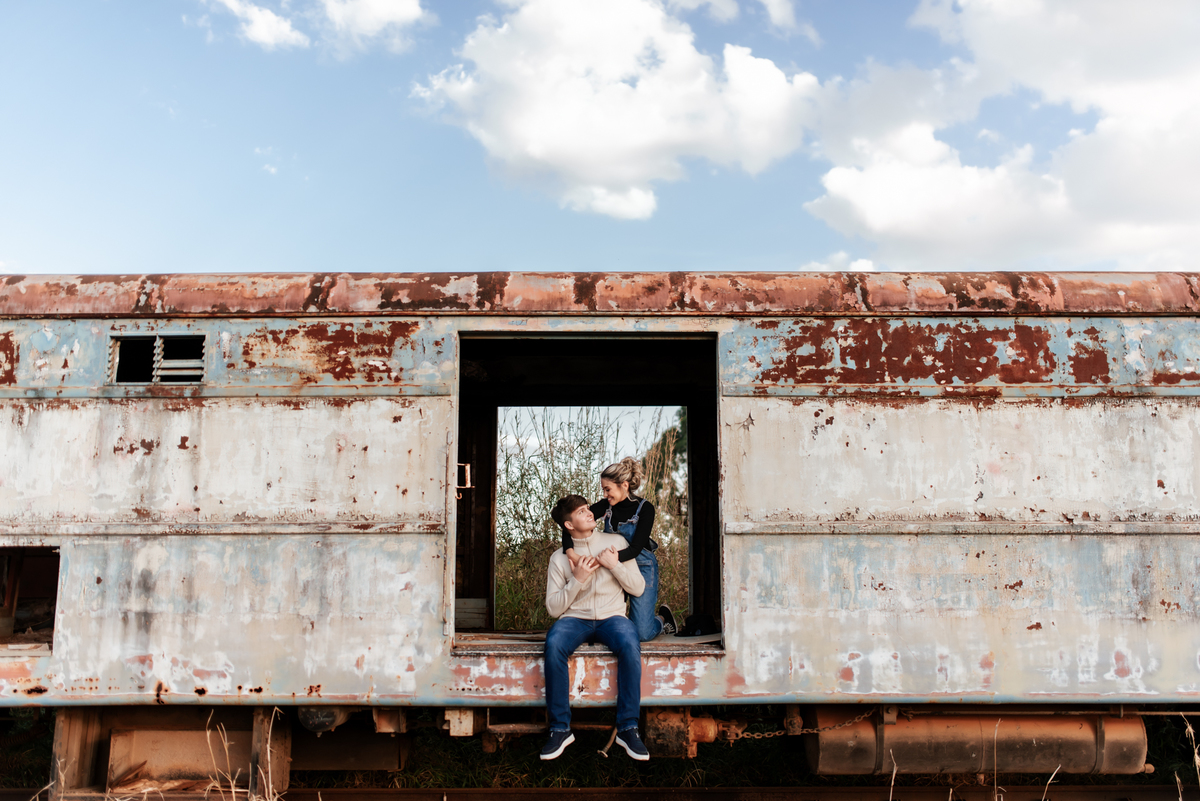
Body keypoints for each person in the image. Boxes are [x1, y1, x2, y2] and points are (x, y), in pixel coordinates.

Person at [541, 494, 650, 762]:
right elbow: (554, 609)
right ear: (569, 525)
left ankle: (628, 727)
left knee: (629, 642)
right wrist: (577, 579)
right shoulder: (559, 559)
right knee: (554, 644)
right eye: (581, 512)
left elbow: (637, 588)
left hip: (612, 617)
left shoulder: (616, 543)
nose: (590, 513)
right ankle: (559, 729)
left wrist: (615, 566)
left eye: (588, 508)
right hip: (574, 619)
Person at [561, 457, 675, 642]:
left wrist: (602, 560)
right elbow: (571, 524)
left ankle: (663, 619)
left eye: (608, 489)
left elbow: (636, 549)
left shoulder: (645, 509)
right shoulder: (607, 506)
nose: (605, 495)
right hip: (611, 567)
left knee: (643, 634)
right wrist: (570, 552)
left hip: (641, 565)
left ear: (624, 485)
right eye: (603, 490)